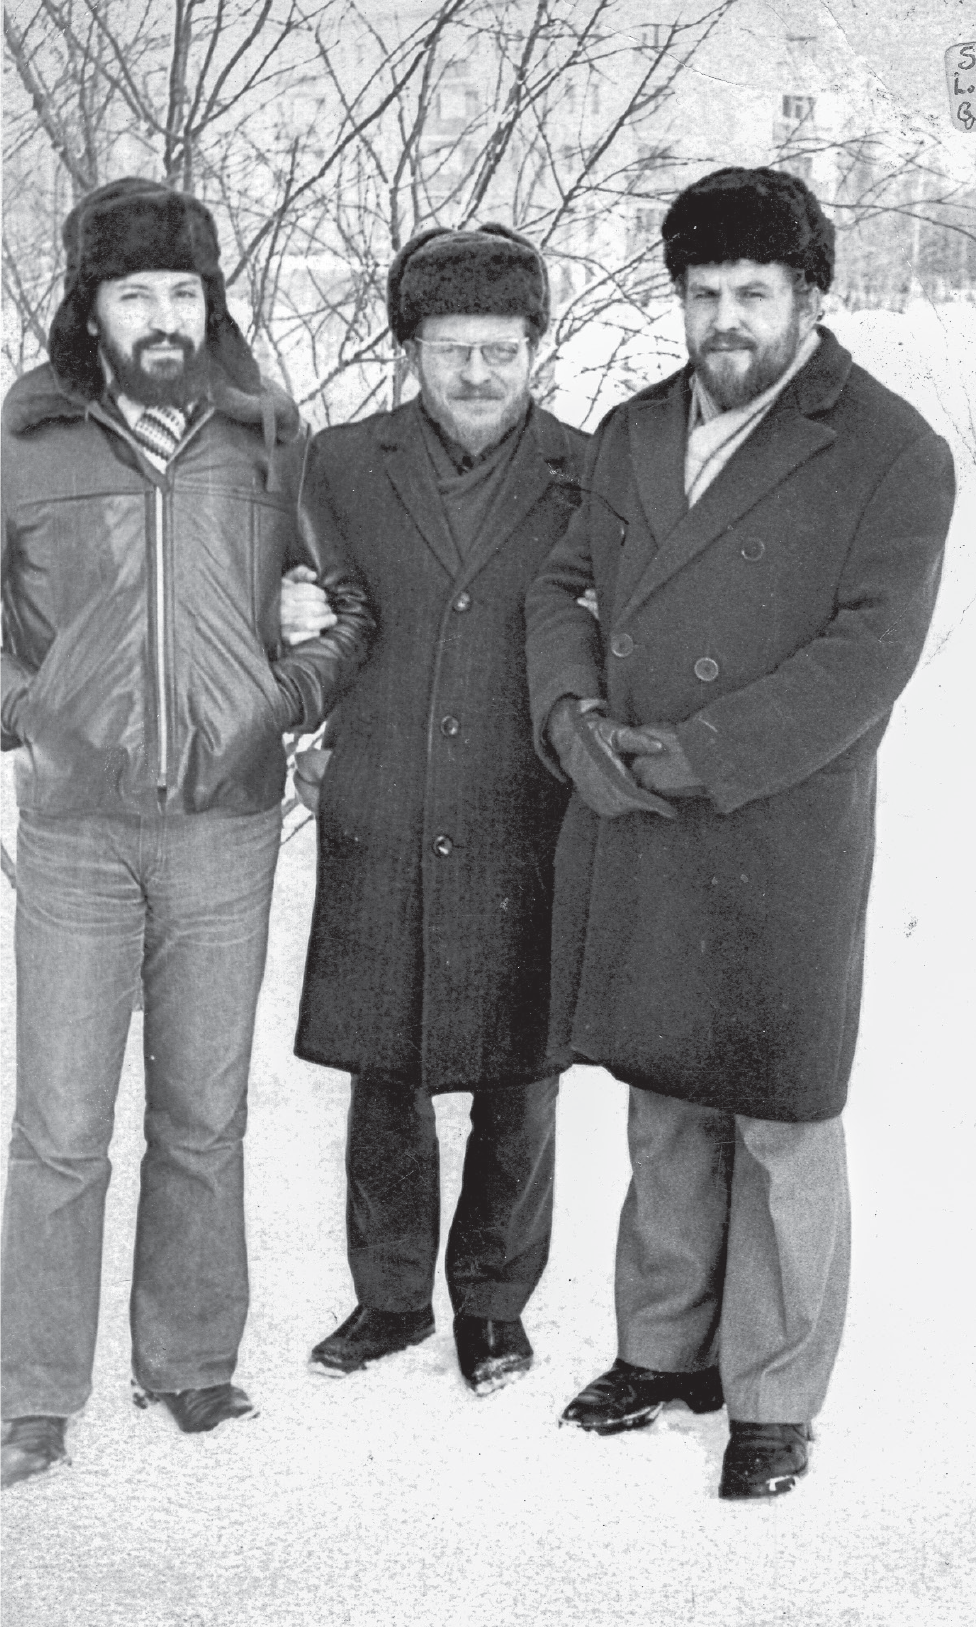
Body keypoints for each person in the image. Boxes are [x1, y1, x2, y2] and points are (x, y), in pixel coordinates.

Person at [525, 167, 956, 1499]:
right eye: (700, 294)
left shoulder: (889, 448)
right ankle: (660, 1351)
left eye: (752, 294)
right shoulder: (631, 427)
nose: (724, 321)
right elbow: (561, 582)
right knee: (664, 1090)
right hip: (637, 799)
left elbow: (864, 656)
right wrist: (568, 711)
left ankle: (770, 1395)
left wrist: (705, 751)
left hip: (778, 818)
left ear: (810, 297)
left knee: (776, 1104)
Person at [0, 178, 372, 1489]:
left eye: (180, 290)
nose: (160, 314)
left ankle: (192, 1359)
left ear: (207, 303)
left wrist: (282, 700)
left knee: (203, 1111)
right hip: (74, 840)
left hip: (225, 829)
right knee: (56, 1122)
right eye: (132, 290)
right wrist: (38, 709)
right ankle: (32, 1390)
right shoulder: (26, 442)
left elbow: (350, 615)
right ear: (88, 307)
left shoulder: (270, 437)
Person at [293, 225, 588, 1396]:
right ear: (408, 347)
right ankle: (389, 1296)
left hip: (527, 804)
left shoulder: (587, 466)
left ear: (535, 349)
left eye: (502, 351)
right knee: (386, 1065)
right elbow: (319, 608)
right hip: (385, 801)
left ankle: (493, 1305)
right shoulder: (341, 462)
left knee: (521, 1075)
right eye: (451, 349)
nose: (476, 375)